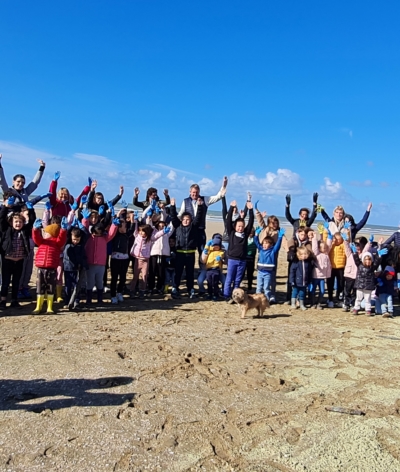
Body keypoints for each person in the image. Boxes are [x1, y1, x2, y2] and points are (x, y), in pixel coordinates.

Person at [0, 195, 35, 309]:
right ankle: (3, 300)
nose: (18, 224)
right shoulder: (7, 230)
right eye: (15, 222)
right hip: (7, 260)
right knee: (5, 282)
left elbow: (31, 221)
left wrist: (31, 210)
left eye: (20, 222)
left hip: (19, 260)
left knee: (16, 282)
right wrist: (5, 207)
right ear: (11, 222)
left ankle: (14, 300)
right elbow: (1, 219)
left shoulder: (24, 231)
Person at [177, 176, 228, 254]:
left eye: (197, 192)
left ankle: (202, 266)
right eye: (193, 192)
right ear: (190, 192)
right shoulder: (185, 201)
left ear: (199, 192)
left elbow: (217, 197)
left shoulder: (205, 199)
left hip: (200, 230)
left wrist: (224, 186)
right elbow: (181, 214)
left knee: (202, 251)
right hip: (189, 230)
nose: (195, 194)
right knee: (189, 250)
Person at [32, 216, 68, 314]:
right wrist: (35, 229)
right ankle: (38, 306)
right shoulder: (41, 242)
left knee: (50, 287)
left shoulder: (57, 243)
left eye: (46, 232)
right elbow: (36, 238)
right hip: (41, 268)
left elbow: (62, 238)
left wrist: (63, 230)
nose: (44, 234)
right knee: (40, 287)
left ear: (51, 234)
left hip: (52, 269)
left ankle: (49, 307)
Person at [170, 197, 204, 299]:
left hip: (190, 254)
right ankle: (175, 288)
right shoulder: (177, 226)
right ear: (181, 220)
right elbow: (173, 217)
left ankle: (191, 290)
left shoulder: (193, 227)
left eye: (188, 219)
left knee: (190, 273)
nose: (185, 221)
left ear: (190, 220)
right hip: (179, 253)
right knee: (178, 272)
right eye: (184, 219)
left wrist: (200, 206)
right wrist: (172, 206)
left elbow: (198, 217)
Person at [223, 200, 254, 301]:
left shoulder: (245, 234)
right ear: (235, 227)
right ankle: (226, 295)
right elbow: (228, 220)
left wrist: (250, 210)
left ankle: (235, 296)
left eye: (242, 226)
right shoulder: (231, 232)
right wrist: (231, 208)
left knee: (237, 280)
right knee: (229, 278)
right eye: (238, 226)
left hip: (242, 260)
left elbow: (251, 221)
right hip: (232, 259)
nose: (240, 228)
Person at [129, 216, 166, 299]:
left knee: (144, 276)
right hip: (137, 259)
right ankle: (132, 290)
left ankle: (142, 291)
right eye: (140, 231)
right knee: (135, 276)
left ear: (147, 232)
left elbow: (156, 235)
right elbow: (135, 228)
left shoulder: (149, 239)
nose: (141, 233)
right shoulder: (137, 236)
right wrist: (134, 220)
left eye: (143, 231)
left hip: (146, 260)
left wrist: (163, 231)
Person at [351, 245, 387, 316]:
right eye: (366, 259)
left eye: (369, 259)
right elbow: (356, 259)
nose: (368, 261)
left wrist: (379, 256)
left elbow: (377, 262)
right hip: (360, 285)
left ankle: (368, 310)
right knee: (358, 298)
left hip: (368, 286)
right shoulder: (359, 265)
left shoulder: (372, 267)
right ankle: (356, 308)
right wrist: (355, 253)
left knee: (367, 299)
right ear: (363, 260)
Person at [254, 226, 285, 301]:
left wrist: (280, 237)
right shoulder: (261, 249)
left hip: (268, 273)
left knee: (266, 288)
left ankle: (266, 300)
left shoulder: (273, 251)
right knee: (259, 287)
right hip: (260, 272)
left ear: (271, 245)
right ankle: (257, 300)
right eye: (264, 243)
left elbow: (277, 246)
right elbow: (256, 242)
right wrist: (256, 234)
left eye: (266, 243)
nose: (264, 245)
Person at [63, 224, 89, 310]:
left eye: (77, 239)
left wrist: (82, 226)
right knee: (68, 286)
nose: (75, 241)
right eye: (74, 239)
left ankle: (76, 301)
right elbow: (66, 234)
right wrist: (70, 226)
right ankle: (67, 302)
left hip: (78, 269)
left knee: (77, 286)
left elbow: (86, 234)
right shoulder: (68, 244)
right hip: (68, 268)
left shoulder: (81, 245)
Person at [147, 220, 175, 295]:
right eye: (160, 226)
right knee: (152, 272)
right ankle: (150, 288)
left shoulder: (167, 233)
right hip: (154, 254)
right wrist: (149, 218)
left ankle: (159, 288)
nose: (161, 227)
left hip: (163, 255)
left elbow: (171, 227)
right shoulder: (154, 232)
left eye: (163, 226)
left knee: (161, 273)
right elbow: (149, 226)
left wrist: (172, 219)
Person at [309, 229, 332, 309]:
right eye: (323, 247)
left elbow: (329, 246)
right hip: (315, 276)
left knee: (322, 291)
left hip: (322, 277)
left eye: (325, 247)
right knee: (313, 290)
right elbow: (314, 247)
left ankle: (319, 303)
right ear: (319, 248)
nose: (325, 249)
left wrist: (329, 237)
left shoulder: (326, 254)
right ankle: (312, 303)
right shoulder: (317, 254)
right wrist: (314, 237)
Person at [201, 235, 226, 301]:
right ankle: (209, 294)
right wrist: (206, 248)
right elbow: (205, 254)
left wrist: (220, 258)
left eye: (217, 246)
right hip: (209, 269)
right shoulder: (209, 251)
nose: (215, 247)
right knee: (209, 282)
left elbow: (222, 255)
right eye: (214, 246)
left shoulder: (221, 252)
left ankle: (216, 294)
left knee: (215, 283)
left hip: (216, 269)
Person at [289, 246, 314, 311]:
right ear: (298, 255)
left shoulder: (308, 263)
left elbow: (309, 273)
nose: (304, 256)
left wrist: (309, 281)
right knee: (294, 292)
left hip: (304, 282)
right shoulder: (295, 263)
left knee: (302, 293)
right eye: (302, 254)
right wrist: (291, 280)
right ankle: (293, 304)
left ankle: (302, 304)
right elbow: (292, 272)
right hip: (296, 282)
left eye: (305, 254)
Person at [246, 228, 257, 292]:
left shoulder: (255, 239)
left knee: (250, 273)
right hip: (245, 257)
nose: (251, 234)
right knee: (242, 273)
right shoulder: (245, 238)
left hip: (252, 257)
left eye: (252, 233)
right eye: (250, 232)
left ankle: (249, 286)